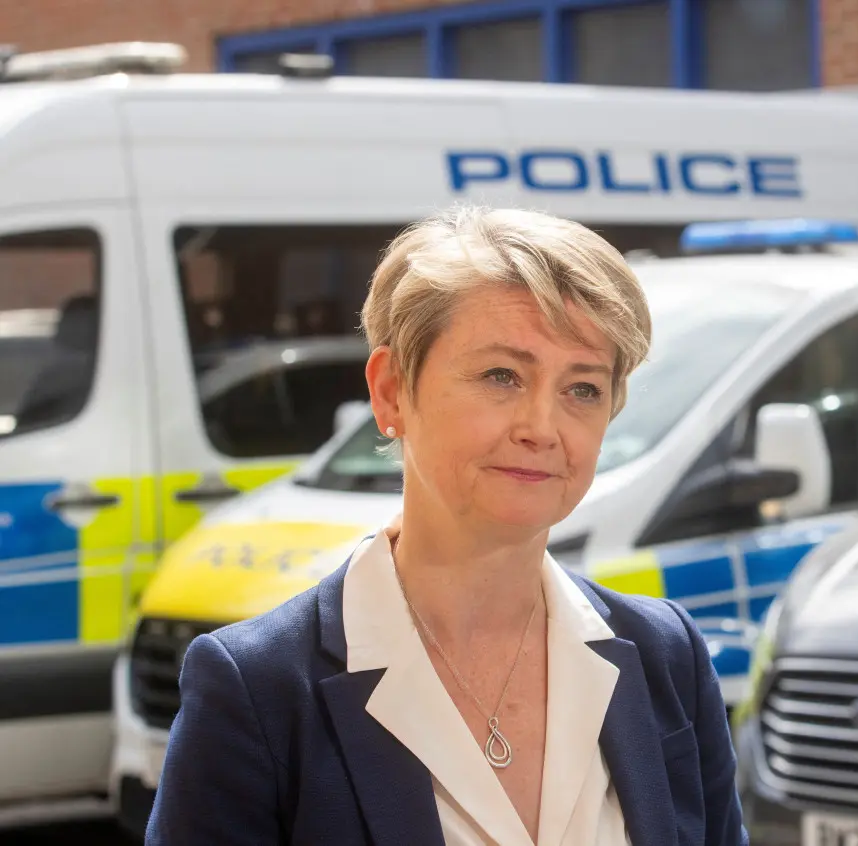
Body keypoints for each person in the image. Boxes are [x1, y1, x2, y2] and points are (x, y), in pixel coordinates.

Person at [145, 206, 748, 846]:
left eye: (582, 389)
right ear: (391, 392)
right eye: (501, 376)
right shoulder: (259, 688)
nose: (541, 428)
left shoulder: (666, 657)